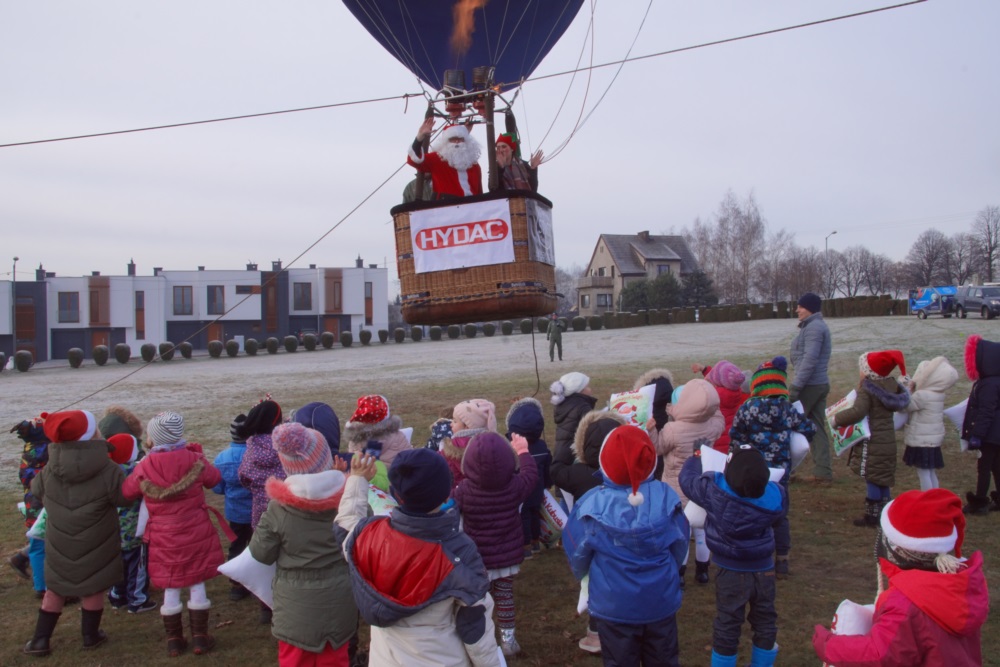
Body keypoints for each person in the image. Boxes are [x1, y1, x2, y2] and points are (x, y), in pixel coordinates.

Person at [340, 449, 503, 667]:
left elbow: (345, 529)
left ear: (396, 493)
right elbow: (475, 626)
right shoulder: (458, 551)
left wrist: (357, 481)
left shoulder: (368, 536)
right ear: (447, 494)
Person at [812, 489, 988, 666]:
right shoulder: (961, 585)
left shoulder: (905, 603)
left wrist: (827, 643)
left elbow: (880, 655)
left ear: (896, 549)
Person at [563, 425, 689, 667]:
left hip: (614, 603)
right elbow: (680, 545)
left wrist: (586, 579)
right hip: (660, 599)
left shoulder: (590, 504)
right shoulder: (667, 496)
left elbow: (577, 553)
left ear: (605, 462)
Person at [249, 422, 358, 667]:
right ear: (326, 459)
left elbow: (260, 552)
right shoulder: (350, 499)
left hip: (295, 609)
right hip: (339, 602)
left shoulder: (278, 510)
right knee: (336, 660)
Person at [22, 410, 129, 657]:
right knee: (93, 587)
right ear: (92, 434)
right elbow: (124, 498)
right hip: (97, 540)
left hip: (60, 540)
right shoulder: (108, 468)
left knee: (56, 588)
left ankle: (40, 640)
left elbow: (36, 490)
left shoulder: (51, 468)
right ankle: (90, 635)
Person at [123, 411, 229, 656]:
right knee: (195, 579)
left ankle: (174, 640)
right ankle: (200, 637)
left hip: (163, 535)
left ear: (154, 438)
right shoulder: (194, 458)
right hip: (195, 530)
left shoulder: (145, 466)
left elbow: (128, 491)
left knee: (170, 583)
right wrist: (199, 455)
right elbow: (214, 479)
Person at [679, 444, 787, 667]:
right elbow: (780, 518)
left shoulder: (715, 491)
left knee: (728, 624)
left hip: (731, 571)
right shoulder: (776, 495)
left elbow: (687, 481)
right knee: (766, 619)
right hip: (764, 569)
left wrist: (695, 459)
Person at [729, 356, 815, 579]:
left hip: (754, 472)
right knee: (780, 514)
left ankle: (759, 557)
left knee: (755, 511)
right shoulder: (787, 409)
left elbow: (735, 436)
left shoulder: (747, 408)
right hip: (781, 472)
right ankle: (782, 559)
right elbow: (809, 428)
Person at [454, 432, 538, 656]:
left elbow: (449, 508)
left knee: (477, 601)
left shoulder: (463, 492)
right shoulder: (516, 486)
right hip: (505, 558)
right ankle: (508, 639)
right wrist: (523, 451)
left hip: (477, 560)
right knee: (504, 596)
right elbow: (531, 475)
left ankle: (482, 640)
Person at [552, 410, 627, 654]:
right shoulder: (629, 472)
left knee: (595, 584)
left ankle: (596, 634)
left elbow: (555, 469)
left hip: (592, 543)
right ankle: (620, 628)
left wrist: (568, 443)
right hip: (625, 540)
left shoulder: (579, 474)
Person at [649, 377, 724, 586]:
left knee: (681, 531)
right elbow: (719, 417)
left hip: (677, 487)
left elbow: (657, 448)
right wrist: (710, 406)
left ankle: (680, 574)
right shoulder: (713, 425)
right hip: (702, 486)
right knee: (701, 529)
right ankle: (702, 571)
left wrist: (651, 430)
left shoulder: (673, 430)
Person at [834, 351, 910, 527]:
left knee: (872, 476)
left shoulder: (867, 390)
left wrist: (836, 419)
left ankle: (872, 516)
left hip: (873, 441)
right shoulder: (891, 387)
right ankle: (886, 513)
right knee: (883, 476)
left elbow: (857, 412)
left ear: (868, 372)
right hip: (887, 441)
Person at [105, 432, 156, 614]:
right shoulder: (134, 472)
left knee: (118, 564)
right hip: (134, 530)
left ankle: (117, 595)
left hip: (112, 530)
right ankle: (137, 599)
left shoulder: (107, 472)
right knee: (138, 565)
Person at [789, 292, 833, 482]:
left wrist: (796, 386)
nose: (797, 309)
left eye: (801, 306)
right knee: (816, 427)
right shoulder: (813, 326)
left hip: (809, 385)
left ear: (811, 308)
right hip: (818, 383)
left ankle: (784, 470)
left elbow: (810, 359)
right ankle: (823, 471)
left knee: (789, 425)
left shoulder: (814, 328)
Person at [212, 414, 254, 601]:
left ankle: (236, 585)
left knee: (236, 547)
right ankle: (257, 581)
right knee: (256, 547)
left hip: (235, 513)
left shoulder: (222, 458)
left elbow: (217, 486)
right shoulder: (256, 455)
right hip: (257, 511)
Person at [901, 357, 958, 491]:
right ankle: (935, 496)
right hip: (932, 440)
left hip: (921, 440)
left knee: (923, 472)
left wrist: (906, 389)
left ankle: (928, 498)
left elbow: (904, 406)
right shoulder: (938, 394)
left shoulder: (922, 395)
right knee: (931, 471)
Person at [505, 397, 553, 558]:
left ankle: (526, 547)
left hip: (522, 490)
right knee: (534, 515)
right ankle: (535, 542)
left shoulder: (512, 447)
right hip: (537, 489)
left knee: (524, 517)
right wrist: (547, 483)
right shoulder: (542, 446)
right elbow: (547, 466)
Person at [10, 416, 50, 599]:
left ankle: (39, 583)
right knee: (42, 545)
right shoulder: (45, 450)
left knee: (36, 545)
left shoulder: (30, 449)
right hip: (41, 504)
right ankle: (43, 586)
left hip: (30, 503)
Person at [961, 334, 1000, 514]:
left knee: (984, 467)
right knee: (996, 465)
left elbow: (986, 412)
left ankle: (979, 502)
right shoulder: (991, 382)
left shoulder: (989, 385)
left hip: (990, 434)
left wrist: (977, 435)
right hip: (995, 434)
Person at [407, 119, 483, 199]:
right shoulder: (437, 159)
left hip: (471, 208)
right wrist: (420, 137)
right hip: (446, 207)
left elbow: (479, 193)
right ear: (446, 142)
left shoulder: (474, 165)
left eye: (460, 139)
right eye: (453, 139)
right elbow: (414, 160)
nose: (457, 141)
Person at [693, 360, 750, 454]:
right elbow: (721, 377)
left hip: (715, 449)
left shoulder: (712, 399)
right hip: (732, 449)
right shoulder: (738, 395)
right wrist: (705, 370)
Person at [342, 394, 411, 468]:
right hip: (392, 477)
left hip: (362, 476)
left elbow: (353, 462)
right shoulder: (398, 437)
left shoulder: (355, 439)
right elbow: (410, 458)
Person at [441, 398, 496, 489]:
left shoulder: (454, 445)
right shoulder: (492, 442)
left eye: (455, 421)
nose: (451, 424)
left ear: (467, 426)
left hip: (458, 493)